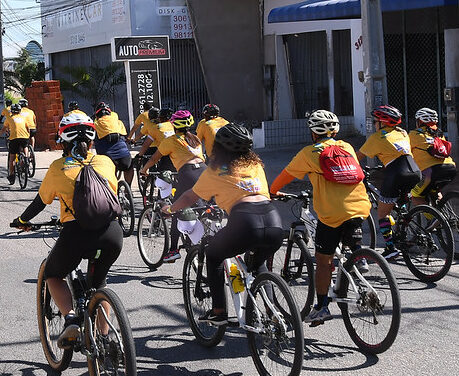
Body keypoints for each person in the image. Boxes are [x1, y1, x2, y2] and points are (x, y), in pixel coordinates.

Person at [11, 113, 123, 348]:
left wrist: (21, 220)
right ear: (92, 140)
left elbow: (40, 202)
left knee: (53, 274)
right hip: (112, 234)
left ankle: (71, 318)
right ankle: (105, 339)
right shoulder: (105, 163)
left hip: (77, 235)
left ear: (62, 141)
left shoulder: (57, 168)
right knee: (99, 284)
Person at [161, 123, 284, 325]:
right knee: (258, 264)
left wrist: (171, 209)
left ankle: (219, 311)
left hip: (245, 221)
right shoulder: (256, 166)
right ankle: (272, 312)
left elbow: (190, 196)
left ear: (219, 148)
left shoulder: (216, 170)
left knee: (214, 254)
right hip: (273, 221)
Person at [270, 110, 372, 325]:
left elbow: (285, 176)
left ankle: (322, 306)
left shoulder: (308, 153)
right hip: (361, 207)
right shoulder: (346, 147)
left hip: (332, 214)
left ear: (313, 132)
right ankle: (357, 255)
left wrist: (272, 190)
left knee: (324, 261)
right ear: (335, 130)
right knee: (350, 232)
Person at [140, 110, 206, 262]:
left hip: (187, 173)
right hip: (204, 171)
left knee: (177, 207)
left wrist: (144, 170)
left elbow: (154, 159)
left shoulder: (171, 140)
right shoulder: (195, 139)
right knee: (200, 205)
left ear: (173, 125)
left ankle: (173, 250)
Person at [356, 105, 421, 259]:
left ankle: (390, 248)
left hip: (397, 173)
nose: (374, 124)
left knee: (382, 213)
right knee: (400, 202)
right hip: (414, 171)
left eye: (376, 121)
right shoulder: (403, 132)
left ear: (383, 122)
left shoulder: (378, 137)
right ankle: (403, 226)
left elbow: (357, 157)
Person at [408, 107, 456, 206]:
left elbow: (404, 152)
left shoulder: (414, 135)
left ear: (419, 121)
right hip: (451, 168)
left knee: (415, 196)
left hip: (431, 172)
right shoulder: (439, 134)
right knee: (435, 192)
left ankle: (436, 220)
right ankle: (443, 216)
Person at [93, 102, 133, 185]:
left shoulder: (96, 123)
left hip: (107, 157)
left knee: (109, 173)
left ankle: (112, 190)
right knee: (129, 167)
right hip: (123, 156)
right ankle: (128, 190)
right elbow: (125, 135)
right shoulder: (117, 121)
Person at [0, 103, 31, 184]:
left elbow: (4, 129)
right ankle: (26, 158)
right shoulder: (23, 118)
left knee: (12, 157)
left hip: (14, 138)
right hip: (24, 137)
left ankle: (11, 175)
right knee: (25, 146)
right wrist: (27, 135)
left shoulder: (9, 118)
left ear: (11, 111)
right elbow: (28, 128)